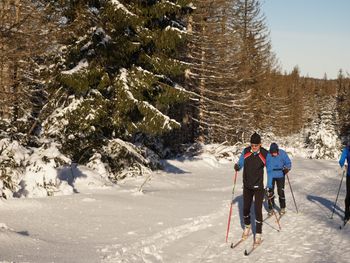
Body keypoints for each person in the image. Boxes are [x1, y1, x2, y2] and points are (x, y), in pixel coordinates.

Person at [234, 132, 268, 245]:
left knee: (258, 210)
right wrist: (238, 166)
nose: (253, 147)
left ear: (260, 144)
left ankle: (258, 233)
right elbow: (241, 163)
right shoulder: (246, 151)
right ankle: (247, 227)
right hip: (247, 186)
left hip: (259, 187)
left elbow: (270, 169)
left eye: (256, 145)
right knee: (245, 209)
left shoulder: (265, 154)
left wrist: (270, 185)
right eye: (252, 145)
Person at [265, 143, 292, 216]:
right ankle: (271, 208)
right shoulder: (268, 155)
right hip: (271, 175)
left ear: (277, 150)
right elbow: (263, 163)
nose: (274, 154)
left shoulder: (282, 153)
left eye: (275, 152)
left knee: (281, 191)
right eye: (272, 152)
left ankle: (282, 207)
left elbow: (288, 162)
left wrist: (287, 168)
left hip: (280, 174)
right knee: (270, 192)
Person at [339, 142, 350, 221]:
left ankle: (347, 213)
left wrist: (343, 164)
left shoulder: (346, 149)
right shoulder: (346, 149)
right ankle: (347, 213)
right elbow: (342, 160)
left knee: (348, 194)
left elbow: (341, 161)